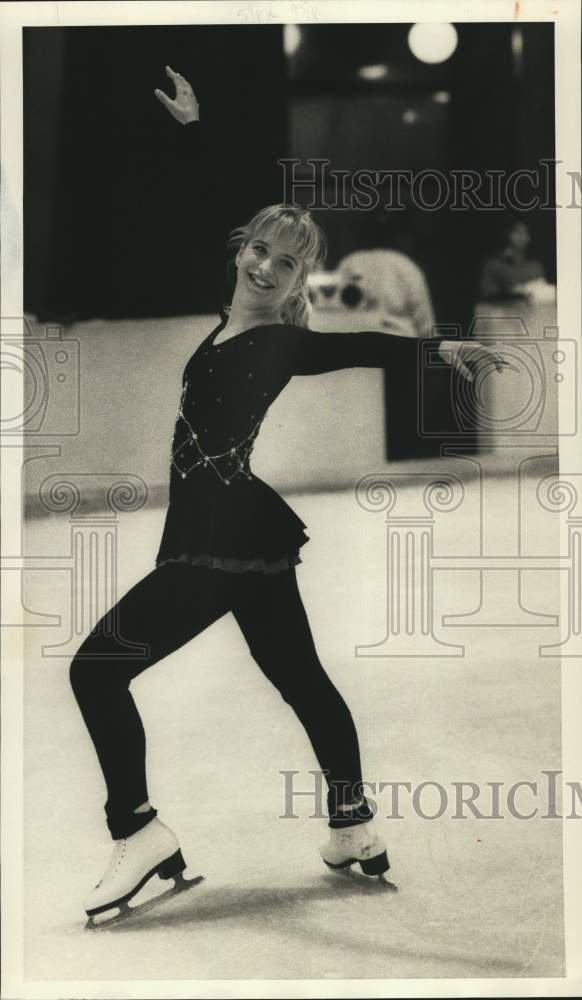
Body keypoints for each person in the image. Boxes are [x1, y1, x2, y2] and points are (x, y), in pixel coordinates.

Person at [69, 67, 511, 921]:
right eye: (259, 251)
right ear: (242, 252)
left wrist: (443, 350)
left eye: (286, 262)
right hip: (238, 530)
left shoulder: (275, 342)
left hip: (217, 541)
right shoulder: (229, 319)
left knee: (96, 670)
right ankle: (353, 826)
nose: (266, 266)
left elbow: (363, 347)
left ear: (302, 278)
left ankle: (138, 830)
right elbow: (215, 206)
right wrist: (196, 130)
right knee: (302, 679)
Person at [478, 218, 546, 302]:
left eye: (526, 232)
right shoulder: (493, 264)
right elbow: (488, 296)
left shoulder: (536, 265)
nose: (522, 236)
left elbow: (543, 293)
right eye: (517, 232)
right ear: (507, 234)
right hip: (503, 309)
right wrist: (519, 296)